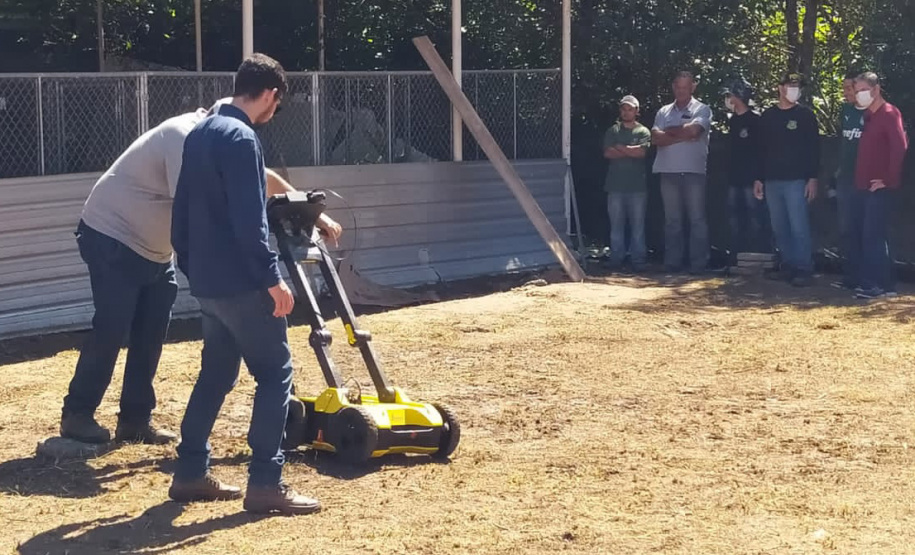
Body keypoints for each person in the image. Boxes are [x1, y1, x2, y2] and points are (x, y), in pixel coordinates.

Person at [168, 53, 324, 515]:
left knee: (216, 374)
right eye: (279, 101)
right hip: (242, 282)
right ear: (271, 94)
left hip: (209, 283)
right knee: (275, 374)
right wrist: (272, 277)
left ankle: (191, 472)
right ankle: (266, 483)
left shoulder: (200, 133)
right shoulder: (241, 138)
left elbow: (181, 213)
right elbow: (250, 220)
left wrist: (192, 266)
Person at [59, 108, 210, 445]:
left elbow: (258, 176)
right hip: (112, 236)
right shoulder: (181, 136)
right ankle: (78, 414)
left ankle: (135, 420)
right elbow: (191, 207)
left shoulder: (218, 142)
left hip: (155, 251)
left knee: (152, 332)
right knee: (112, 327)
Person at [754, 72, 820, 287]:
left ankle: (803, 268)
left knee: (798, 225)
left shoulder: (805, 115)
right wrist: (759, 179)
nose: (795, 89)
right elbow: (760, 150)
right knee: (779, 226)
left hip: (797, 180)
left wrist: (813, 178)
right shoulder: (768, 116)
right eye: (791, 85)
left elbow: (814, 149)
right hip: (772, 180)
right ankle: (788, 265)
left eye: (797, 85)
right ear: (780, 88)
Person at [848, 72, 908, 299]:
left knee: (873, 236)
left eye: (862, 89)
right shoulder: (869, 116)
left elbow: (899, 147)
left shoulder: (890, 113)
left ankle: (876, 284)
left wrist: (888, 180)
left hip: (878, 188)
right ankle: (881, 284)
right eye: (857, 90)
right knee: (870, 235)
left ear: (876, 90)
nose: (858, 94)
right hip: (863, 185)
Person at [651, 71, 713, 274]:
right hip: (667, 172)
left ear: (693, 87)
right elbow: (655, 139)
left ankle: (698, 264)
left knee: (697, 219)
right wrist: (683, 134)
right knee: (672, 220)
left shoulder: (702, 109)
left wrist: (670, 133)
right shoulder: (663, 111)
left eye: (685, 87)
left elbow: (695, 132)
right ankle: (672, 262)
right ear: (673, 87)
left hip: (694, 172)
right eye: (678, 87)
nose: (681, 91)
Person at [602, 95, 651, 271]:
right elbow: (608, 153)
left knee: (638, 225)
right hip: (615, 186)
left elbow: (642, 153)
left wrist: (620, 148)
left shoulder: (644, 131)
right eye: (623, 108)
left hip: (637, 187)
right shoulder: (612, 131)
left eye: (630, 109)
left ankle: (638, 260)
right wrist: (630, 149)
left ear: (637, 111)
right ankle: (616, 259)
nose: (626, 112)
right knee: (616, 225)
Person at [722, 77, 769, 257]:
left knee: (755, 216)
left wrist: (759, 177)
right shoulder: (732, 120)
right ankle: (736, 254)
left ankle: (759, 254)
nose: (728, 99)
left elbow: (762, 150)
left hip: (751, 179)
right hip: (734, 177)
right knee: (734, 216)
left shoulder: (756, 120)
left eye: (730, 95)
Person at [830, 72, 867, 290]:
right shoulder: (845, 111)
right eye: (843, 88)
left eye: (849, 88)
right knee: (846, 228)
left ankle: (868, 276)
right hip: (845, 178)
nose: (845, 93)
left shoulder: (873, 113)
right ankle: (850, 276)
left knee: (866, 228)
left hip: (864, 179)